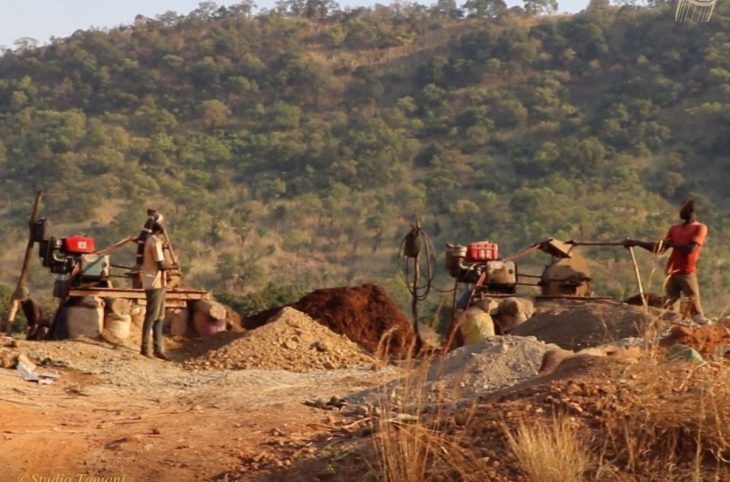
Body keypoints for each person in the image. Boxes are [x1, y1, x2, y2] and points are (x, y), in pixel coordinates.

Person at [624, 199, 710, 324]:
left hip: (686, 270)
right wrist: (637, 243)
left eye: (684, 209)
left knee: (693, 303)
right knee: (671, 303)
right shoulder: (674, 229)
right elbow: (659, 249)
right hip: (671, 271)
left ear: (692, 212)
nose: (681, 212)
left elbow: (690, 249)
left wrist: (672, 244)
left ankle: (702, 326)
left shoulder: (700, 228)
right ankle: (671, 327)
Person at [140, 221, 176, 360]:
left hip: (160, 283)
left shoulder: (154, 241)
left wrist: (165, 247)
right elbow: (161, 265)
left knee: (160, 317)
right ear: (160, 230)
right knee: (151, 316)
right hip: (154, 282)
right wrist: (173, 266)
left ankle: (158, 348)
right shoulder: (154, 243)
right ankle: (145, 348)